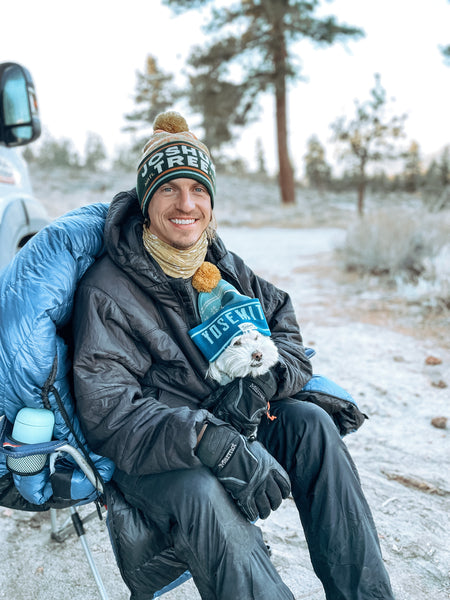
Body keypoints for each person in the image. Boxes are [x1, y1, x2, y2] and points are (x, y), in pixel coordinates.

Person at [72, 111, 395, 600]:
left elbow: (282, 324)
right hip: (161, 455)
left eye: (198, 189)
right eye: (169, 188)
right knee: (202, 492)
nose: (187, 204)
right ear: (145, 199)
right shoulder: (107, 289)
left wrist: (264, 380)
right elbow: (110, 415)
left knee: (310, 424)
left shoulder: (219, 263)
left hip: (232, 419)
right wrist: (208, 439)